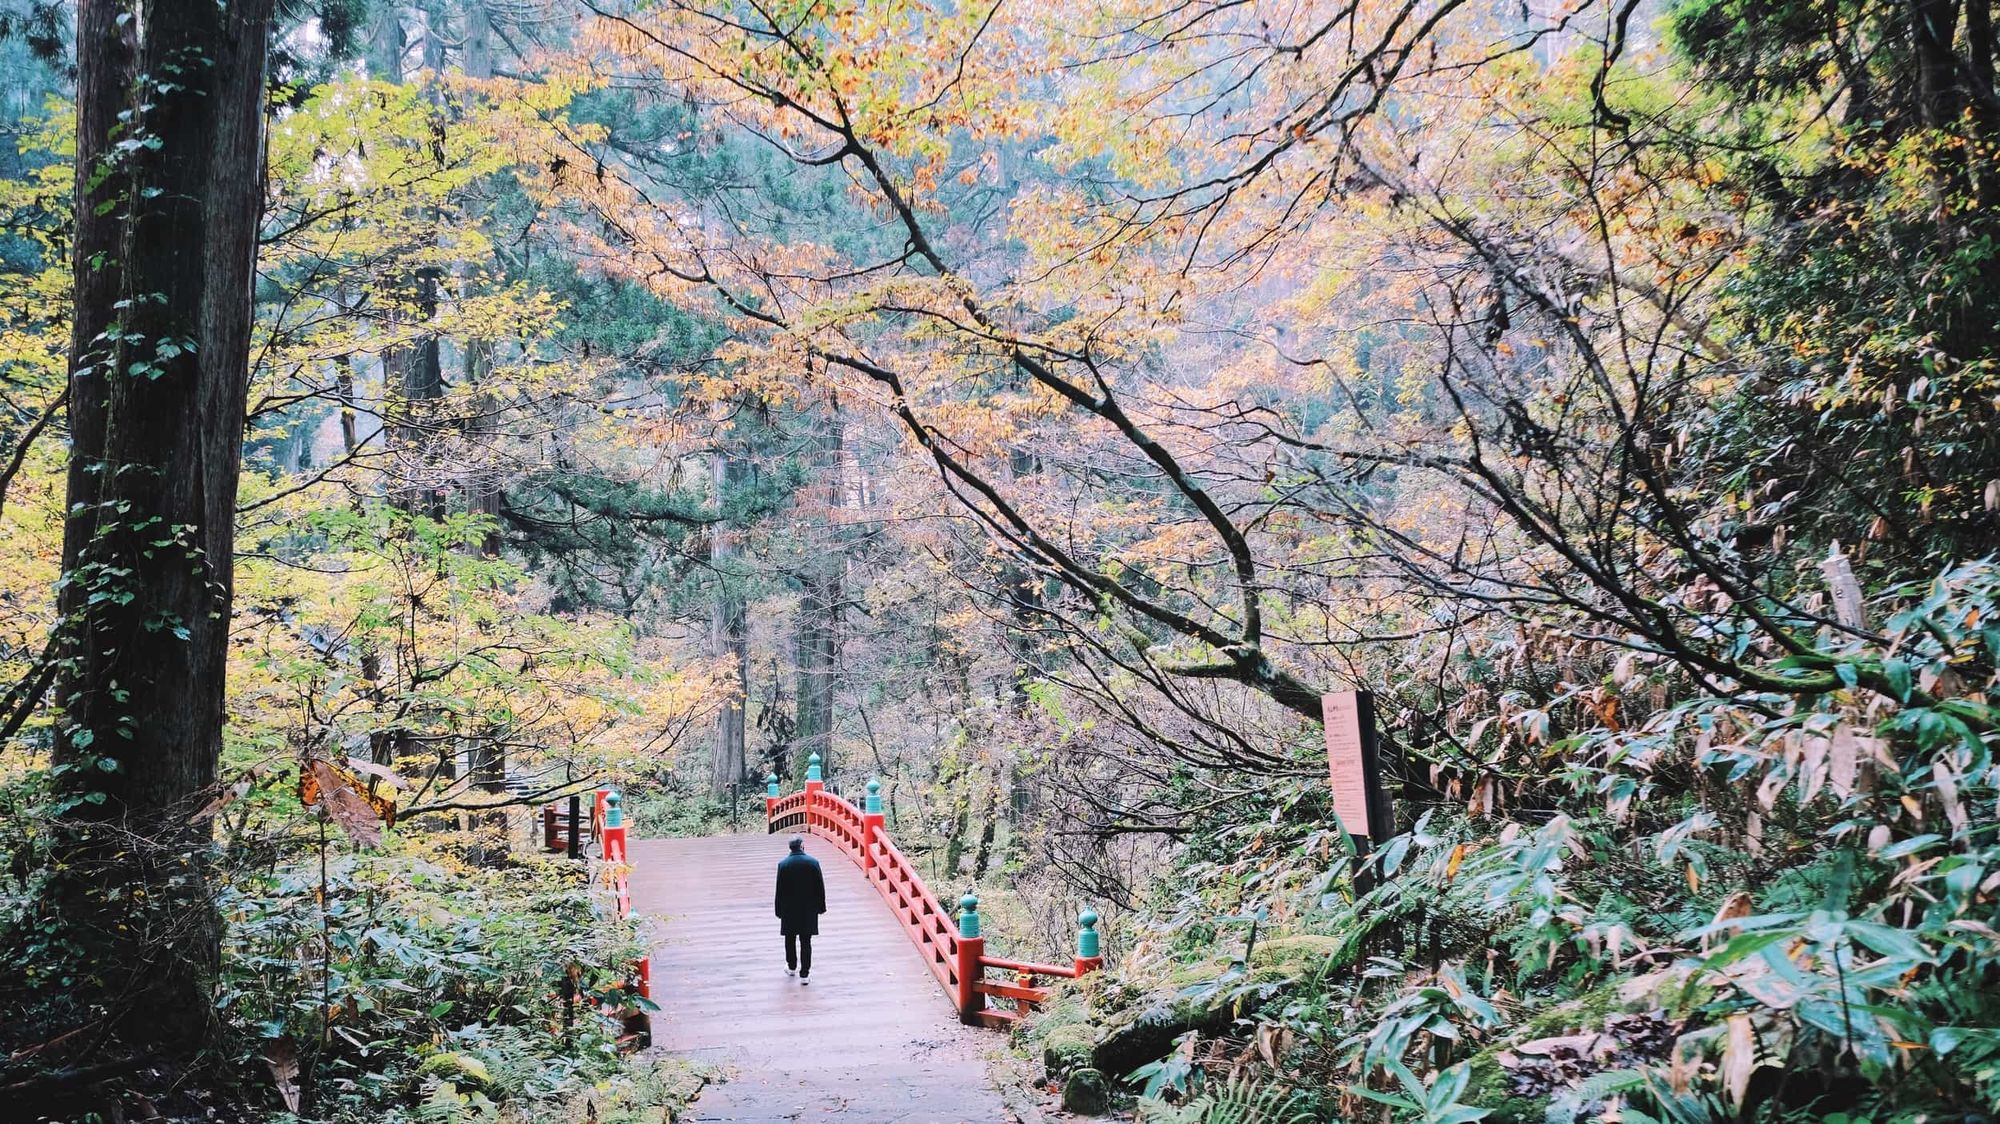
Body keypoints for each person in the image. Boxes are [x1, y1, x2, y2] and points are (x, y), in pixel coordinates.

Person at [774, 836, 826, 983]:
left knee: (789, 939)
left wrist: (778, 910)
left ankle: (791, 966)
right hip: (808, 909)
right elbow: (819, 887)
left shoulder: (783, 865)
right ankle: (804, 974)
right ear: (802, 846)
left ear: (790, 847)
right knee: (805, 941)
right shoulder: (813, 863)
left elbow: (779, 890)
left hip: (789, 909)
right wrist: (821, 907)